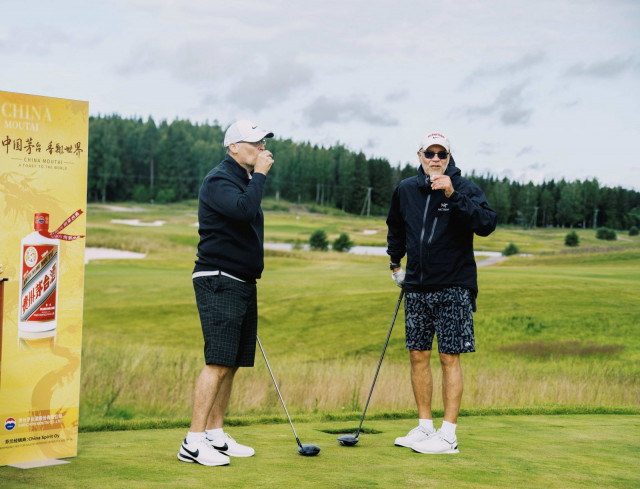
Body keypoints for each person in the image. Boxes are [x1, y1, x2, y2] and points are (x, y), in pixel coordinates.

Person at [386, 132, 497, 454]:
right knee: (418, 355)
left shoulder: (464, 188)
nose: (435, 159)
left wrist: (452, 194)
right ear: (419, 154)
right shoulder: (406, 188)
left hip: (454, 285)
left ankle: (448, 435)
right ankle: (424, 428)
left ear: (450, 157)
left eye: (442, 154)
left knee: (449, 357)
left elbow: (487, 223)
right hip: (416, 285)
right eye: (430, 153)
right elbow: (396, 227)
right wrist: (396, 265)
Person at [178, 120, 274, 466]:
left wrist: (255, 177)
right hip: (219, 277)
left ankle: (215, 435)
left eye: (263, 143)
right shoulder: (219, 179)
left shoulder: (244, 180)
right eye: (254, 143)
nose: (261, 149)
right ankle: (192, 440)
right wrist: (261, 175)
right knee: (218, 361)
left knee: (232, 364)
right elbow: (243, 211)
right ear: (233, 146)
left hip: (242, 280)